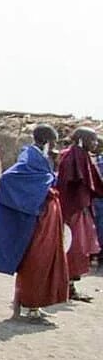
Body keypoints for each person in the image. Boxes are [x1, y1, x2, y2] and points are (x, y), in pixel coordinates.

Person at [0, 124, 69, 320]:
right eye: (53, 142)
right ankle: (30, 307)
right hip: (37, 221)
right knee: (34, 261)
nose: (55, 146)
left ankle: (34, 306)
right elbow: (8, 178)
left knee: (43, 261)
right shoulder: (30, 157)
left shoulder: (41, 158)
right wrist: (39, 193)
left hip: (45, 220)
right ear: (46, 141)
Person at [56, 127, 103, 300]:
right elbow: (68, 183)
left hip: (80, 210)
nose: (96, 143)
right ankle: (65, 287)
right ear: (83, 140)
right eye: (93, 140)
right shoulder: (72, 156)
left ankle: (70, 286)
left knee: (79, 249)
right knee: (73, 248)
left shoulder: (81, 156)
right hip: (72, 211)